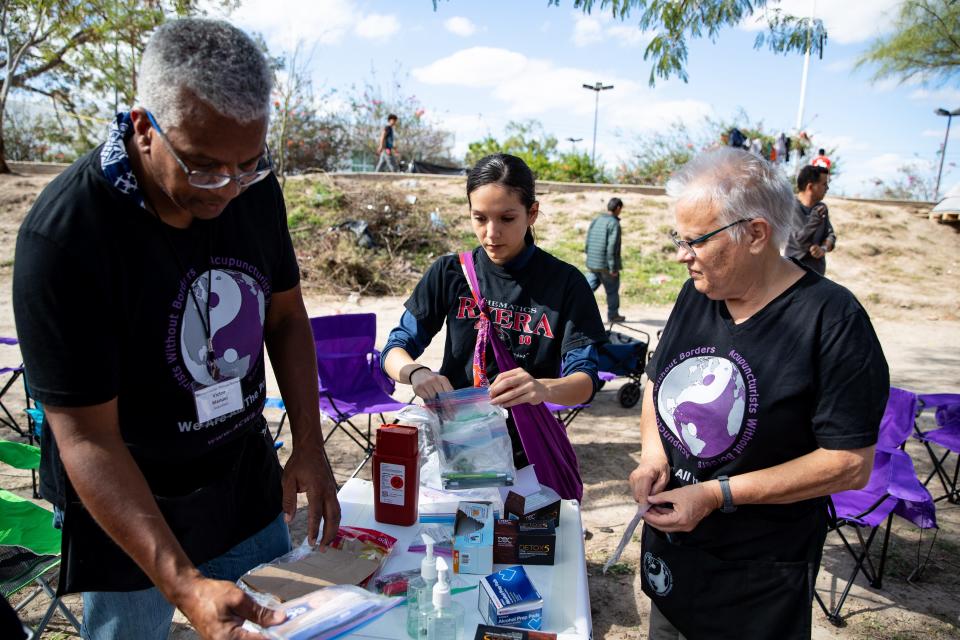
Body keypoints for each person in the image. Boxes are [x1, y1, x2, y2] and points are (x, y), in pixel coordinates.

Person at [12, 19, 341, 640]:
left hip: (239, 471)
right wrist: (184, 584)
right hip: (129, 492)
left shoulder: (252, 190)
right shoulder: (66, 238)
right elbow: (86, 439)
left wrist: (309, 443)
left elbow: (287, 315)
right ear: (143, 127)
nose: (226, 187)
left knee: (279, 625)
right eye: (202, 166)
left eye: (247, 164)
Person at [629, 147, 888, 640]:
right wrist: (652, 456)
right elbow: (657, 380)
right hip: (674, 557)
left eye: (696, 242)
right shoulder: (697, 293)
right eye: (677, 239)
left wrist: (715, 494)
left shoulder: (832, 320)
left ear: (755, 234)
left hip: (758, 575)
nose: (681, 256)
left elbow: (849, 462)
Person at [380, 153, 607, 467]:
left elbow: (584, 381)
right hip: (456, 446)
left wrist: (541, 388)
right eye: (480, 218)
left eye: (507, 218)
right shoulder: (449, 273)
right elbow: (394, 349)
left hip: (528, 450)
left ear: (532, 213)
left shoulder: (566, 284)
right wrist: (416, 372)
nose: (491, 232)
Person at [785, 165, 836, 276]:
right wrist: (815, 219)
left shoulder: (822, 208)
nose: (827, 188)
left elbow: (831, 236)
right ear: (810, 187)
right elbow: (800, 241)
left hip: (817, 273)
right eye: (824, 184)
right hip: (794, 273)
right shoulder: (791, 206)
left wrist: (823, 248)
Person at [585, 197, 625, 323]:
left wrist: (589, 256)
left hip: (593, 263)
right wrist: (613, 268)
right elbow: (612, 247)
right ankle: (613, 316)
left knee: (585, 289)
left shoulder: (597, 219)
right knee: (612, 291)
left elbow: (588, 239)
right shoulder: (614, 223)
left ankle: (570, 309)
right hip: (606, 266)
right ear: (618, 208)